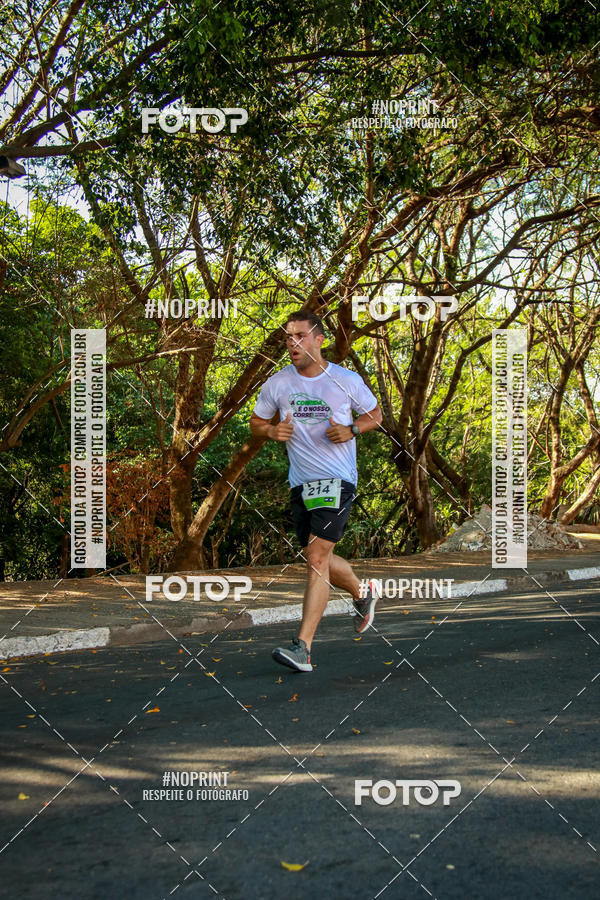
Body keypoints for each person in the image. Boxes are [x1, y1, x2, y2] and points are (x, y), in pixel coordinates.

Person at [249, 311, 383, 672]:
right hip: (302, 483)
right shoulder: (278, 384)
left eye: (300, 336)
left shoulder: (344, 379)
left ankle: (302, 648)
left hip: (338, 480)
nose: (292, 343)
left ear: (319, 339)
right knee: (314, 557)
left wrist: (352, 430)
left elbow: (376, 414)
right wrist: (271, 432)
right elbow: (257, 422)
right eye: (288, 337)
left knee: (318, 558)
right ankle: (361, 592)